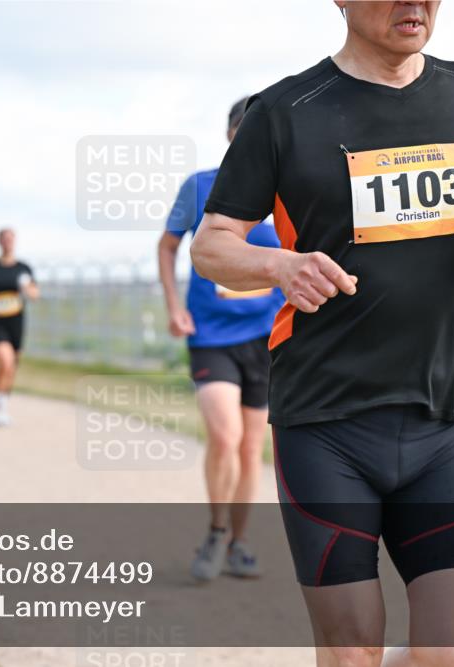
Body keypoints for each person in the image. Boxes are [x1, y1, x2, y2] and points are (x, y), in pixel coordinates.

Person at [190, 2, 454, 665]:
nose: (414, 3)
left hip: (441, 419)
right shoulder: (286, 111)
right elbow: (211, 246)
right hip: (325, 423)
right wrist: (279, 264)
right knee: (352, 653)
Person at [159, 97, 286, 581]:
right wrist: (174, 306)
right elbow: (168, 246)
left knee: (251, 446)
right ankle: (215, 532)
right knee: (225, 435)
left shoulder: (289, 192)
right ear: (233, 134)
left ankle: (239, 541)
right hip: (211, 333)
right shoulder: (200, 188)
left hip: (265, 335)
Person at [0, 228, 39, 426]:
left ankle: (0, 404)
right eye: (4, 239)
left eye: (11, 239)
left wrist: (26, 288)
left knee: (11, 366)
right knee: (5, 361)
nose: (7, 242)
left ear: (15, 242)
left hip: (16, 322)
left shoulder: (24, 268)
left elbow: (35, 295)